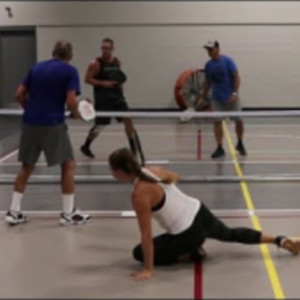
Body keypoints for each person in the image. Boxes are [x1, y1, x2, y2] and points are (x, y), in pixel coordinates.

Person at [108, 147, 300, 281]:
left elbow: (146, 235)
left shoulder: (139, 194)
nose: (111, 174)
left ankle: (192, 253)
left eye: (112, 171)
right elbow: (176, 177)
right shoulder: (151, 170)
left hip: (188, 233)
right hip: (199, 211)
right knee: (230, 233)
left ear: (119, 171)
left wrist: (148, 269)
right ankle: (279, 240)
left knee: (138, 252)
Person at [5, 40, 91, 226]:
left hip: (30, 123)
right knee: (68, 165)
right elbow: (70, 101)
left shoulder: (36, 68)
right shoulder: (70, 71)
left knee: (27, 167)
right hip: (53, 123)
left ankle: (13, 211)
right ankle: (68, 214)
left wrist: (29, 110)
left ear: (53, 53)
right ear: (70, 56)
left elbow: (18, 94)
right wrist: (76, 114)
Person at [80, 38, 144, 165]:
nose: (105, 50)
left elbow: (119, 79)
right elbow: (87, 79)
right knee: (99, 126)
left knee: (128, 119)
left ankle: (133, 149)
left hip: (117, 98)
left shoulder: (117, 62)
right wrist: (103, 83)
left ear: (112, 48)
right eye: (103, 48)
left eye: (107, 48)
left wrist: (122, 94)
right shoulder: (95, 63)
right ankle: (86, 146)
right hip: (103, 100)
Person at [197, 40, 247, 159]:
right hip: (217, 99)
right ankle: (219, 147)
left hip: (231, 98)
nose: (209, 52)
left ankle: (240, 143)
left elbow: (236, 77)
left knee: (238, 120)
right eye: (208, 50)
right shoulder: (208, 65)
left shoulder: (228, 61)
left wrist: (234, 93)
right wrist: (202, 98)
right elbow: (207, 82)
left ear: (218, 49)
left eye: (211, 49)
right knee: (217, 122)